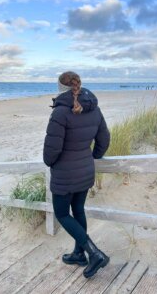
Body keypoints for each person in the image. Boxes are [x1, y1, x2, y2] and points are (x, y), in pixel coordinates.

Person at [43, 71, 110, 278]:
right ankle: (79, 254)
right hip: (85, 170)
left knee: (62, 214)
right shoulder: (94, 108)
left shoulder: (60, 113)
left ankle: (94, 252)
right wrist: (92, 156)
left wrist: (51, 162)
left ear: (60, 88)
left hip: (65, 175)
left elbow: (50, 153)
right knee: (78, 209)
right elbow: (104, 139)